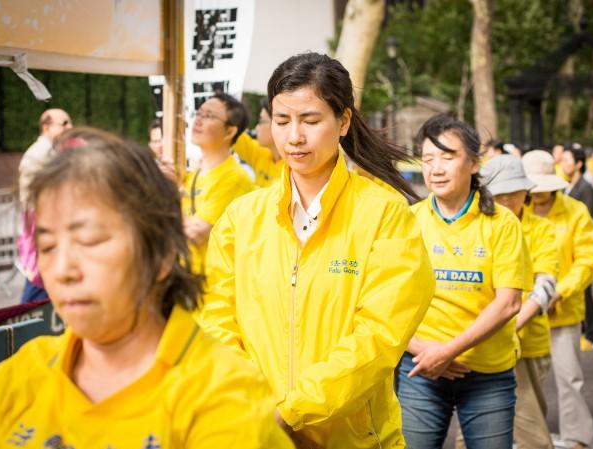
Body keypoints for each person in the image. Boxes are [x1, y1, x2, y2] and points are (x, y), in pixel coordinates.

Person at [0, 128, 293, 448]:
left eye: (89, 240)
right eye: (47, 247)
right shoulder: (13, 382)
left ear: (162, 252)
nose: (62, 270)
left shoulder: (225, 395)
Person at [199, 52, 435, 448]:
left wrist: (292, 412)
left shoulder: (385, 214)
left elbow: (378, 337)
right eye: (281, 120)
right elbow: (217, 323)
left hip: (354, 438)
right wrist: (258, 409)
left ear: (342, 121)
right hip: (257, 433)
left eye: (310, 121)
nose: (294, 137)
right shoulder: (241, 219)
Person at [397, 115, 526, 449]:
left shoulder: (502, 222)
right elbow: (383, 300)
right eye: (428, 159)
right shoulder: (408, 221)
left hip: (488, 375)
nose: (436, 169)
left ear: (473, 163)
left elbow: (509, 302)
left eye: (447, 157)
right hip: (419, 371)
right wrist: (423, 350)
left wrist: (449, 351)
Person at [467, 155, 559, 449]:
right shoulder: (475, 227)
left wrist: (505, 324)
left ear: (526, 191)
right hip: (478, 344)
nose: (506, 200)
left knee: (529, 426)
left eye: (513, 192)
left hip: (526, 341)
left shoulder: (541, 229)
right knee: (474, 425)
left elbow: (545, 285)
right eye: (500, 193)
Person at [522, 150, 593, 449]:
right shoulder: (517, 212)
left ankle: (578, 437)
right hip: (525, 313)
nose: (539, 196)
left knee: (569, 379)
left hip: (563, 311)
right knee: (528, 385)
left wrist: (560, 291)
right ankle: (532, 439)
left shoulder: (576, 211)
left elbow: (588, 259)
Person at [182, 93, 255, 273]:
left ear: (230, 131)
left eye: (209, 116)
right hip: (186, 284)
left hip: (213, 289)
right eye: (198, 113)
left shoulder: (235, 178)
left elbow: (194, 234)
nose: (198, 120)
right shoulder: (192, 175)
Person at [17, 108, 73, 304]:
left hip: (53, 232)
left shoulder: (56, 150)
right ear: (46, 127)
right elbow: (31, 203)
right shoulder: (38, 154)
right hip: (43, 233)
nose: (70, 127)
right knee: (36, 291)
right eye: (64, 123)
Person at [561, 146, 593, 346]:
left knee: (586, 290)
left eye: (567, 160)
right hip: (566, 248)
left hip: (580, 244)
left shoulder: (586, 187)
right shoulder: (565, 186)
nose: (563, 164)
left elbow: (588, 216)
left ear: (578, 164)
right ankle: (585, 328)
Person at [233, 98, 284, 187]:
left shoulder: (293, 170)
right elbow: (233, 132)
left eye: (261, 121)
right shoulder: (262, 153)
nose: (256, 128)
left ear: (278, 125)